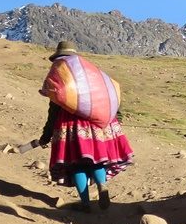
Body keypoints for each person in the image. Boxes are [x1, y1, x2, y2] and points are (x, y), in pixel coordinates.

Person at [37, 41, 134, 213]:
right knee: (95, 159)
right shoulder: (88, 72)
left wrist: (46, 135)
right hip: (96, 122)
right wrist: (116, 116)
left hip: (70, 126)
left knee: (77, 165)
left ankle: (85, 203)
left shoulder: (58, 75)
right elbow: (107, 93)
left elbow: (53, 110)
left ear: (58, 57)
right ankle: (102, 186)